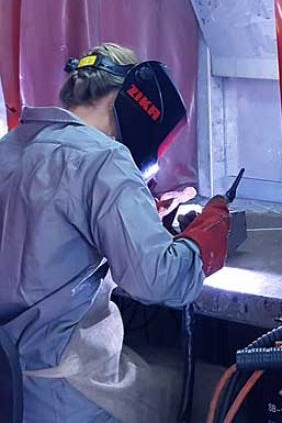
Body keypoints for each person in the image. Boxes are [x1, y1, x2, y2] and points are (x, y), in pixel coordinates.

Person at [0, 43, 231, 422]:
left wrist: (138, 220)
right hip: (62, 389)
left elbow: (43, 239)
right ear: (138, 106)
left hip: (9, 388)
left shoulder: (12, 146)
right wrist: (200, 244)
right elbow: (159, 281)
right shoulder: (104, 159)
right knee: (213, 386)